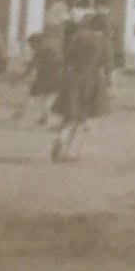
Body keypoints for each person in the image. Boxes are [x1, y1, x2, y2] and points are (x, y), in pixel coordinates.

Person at [50, 12, 112, 161]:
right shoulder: (105, 42)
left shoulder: (78, 38)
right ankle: (68, 151)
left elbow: (67, 58)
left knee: (69, 114)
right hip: (92, 80)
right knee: (81, 116)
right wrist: (109, 85)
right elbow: (108, 67)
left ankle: (60, 137)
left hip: (73, 77)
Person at [13, 29, 64, 125]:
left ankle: (22, 112)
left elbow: (32, 67)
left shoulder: (39, 54)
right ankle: (44, 117)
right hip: (56, 78)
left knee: (32, 96)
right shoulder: (55, 51)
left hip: (43, 78)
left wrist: (22, 77)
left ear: (37, 43)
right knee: (47, 99)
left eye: (32, 45)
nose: (31, 47)